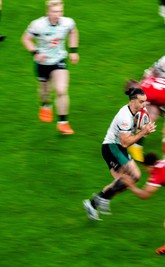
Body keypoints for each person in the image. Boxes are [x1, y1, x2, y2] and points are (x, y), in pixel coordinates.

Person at [83, 88, 157, 221]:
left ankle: (93, 204)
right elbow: (125, 143)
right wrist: (142, 133)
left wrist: (143, 128)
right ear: (133, 101)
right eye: (141, 102)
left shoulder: (137, 111)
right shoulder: (125, 117)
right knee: (134, 175)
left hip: (117, 148)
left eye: (145, 102)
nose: (144, 105)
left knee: (122, 183)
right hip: (112, 148)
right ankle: (102, 199)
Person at [21, 0, 79, 134]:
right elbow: (26, 39)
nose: (57, 14)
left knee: (61, 90)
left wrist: (73, 51)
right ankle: (45, 105)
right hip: (42, 62)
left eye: (59, 11)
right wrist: (35, 52)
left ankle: (63, 122)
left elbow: (73, 31)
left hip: (59, 60)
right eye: (54, 12)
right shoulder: (37, 24)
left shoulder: (67, 22)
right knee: (44, 91)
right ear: (48, 12)